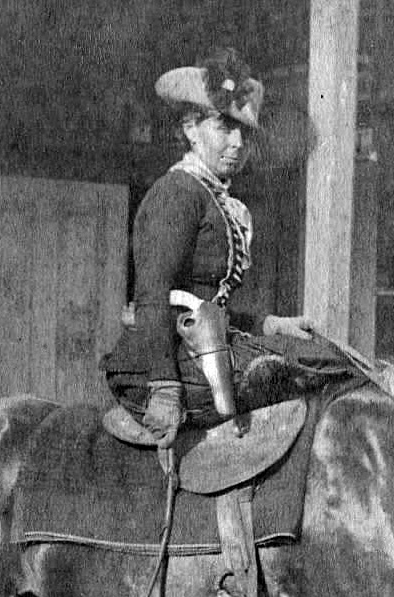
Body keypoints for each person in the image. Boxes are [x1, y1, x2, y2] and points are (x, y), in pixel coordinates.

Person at [104, 48, 354, 449]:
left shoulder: (212, 197)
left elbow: (205, 307)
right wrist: (165, 389)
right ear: (190, 128)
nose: (238, 143)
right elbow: (152, 295)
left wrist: (270, 324)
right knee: (303, 369)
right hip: (158, 363)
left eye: (245, 133)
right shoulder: (177, 194)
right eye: (224, 127)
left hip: (203, 351)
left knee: (327, 356)